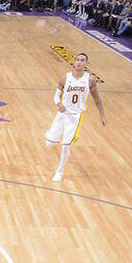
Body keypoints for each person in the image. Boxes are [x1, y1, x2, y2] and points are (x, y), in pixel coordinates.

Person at [45, 52, 106, 183]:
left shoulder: (90, 80)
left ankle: (59, 171)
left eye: (82, 60)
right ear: (74, 61)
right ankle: (49, 135)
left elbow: (97, 99)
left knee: (66, 144)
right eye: (77, 59)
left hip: (76, 115)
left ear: (86, 64)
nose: (79, 62)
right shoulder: (65, 78)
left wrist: (102, 114)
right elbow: (56, 96)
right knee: (49, 143)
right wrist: (58, 103)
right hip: (62, 112)